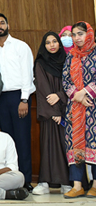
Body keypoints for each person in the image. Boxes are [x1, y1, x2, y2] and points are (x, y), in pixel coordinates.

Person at [0, 13, 36, 191]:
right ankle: (11, 181)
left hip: (19, 97)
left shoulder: (21, 46)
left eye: (2, 23)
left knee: (22, 140)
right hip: (0, 99)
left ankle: (26, 180)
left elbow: (27, 75)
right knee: (7, 142)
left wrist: (24, 99)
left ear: (8, 24)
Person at [32, 31, 70, 195]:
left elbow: (71, 83)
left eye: (55, 41)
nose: (52, 45)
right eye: (48, 42)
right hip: (50, 114)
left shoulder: (67, 61)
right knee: (48, 147)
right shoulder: (40, 63)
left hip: (67, 110)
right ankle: (44, 183)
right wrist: (54, 112)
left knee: (66, 146)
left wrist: (61, 98)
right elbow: (42, 88)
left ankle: (67, 183)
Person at [62, 22, 96, 198]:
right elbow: (65, 80)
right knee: (75, 145)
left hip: (93, 106)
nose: (77, 38)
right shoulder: (72, 56)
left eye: (80, 34)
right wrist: (77, 95)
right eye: (74, 35)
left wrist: (85, 92)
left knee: (94, 144)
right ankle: (77, 186)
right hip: (75, 108)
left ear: (89, 34)